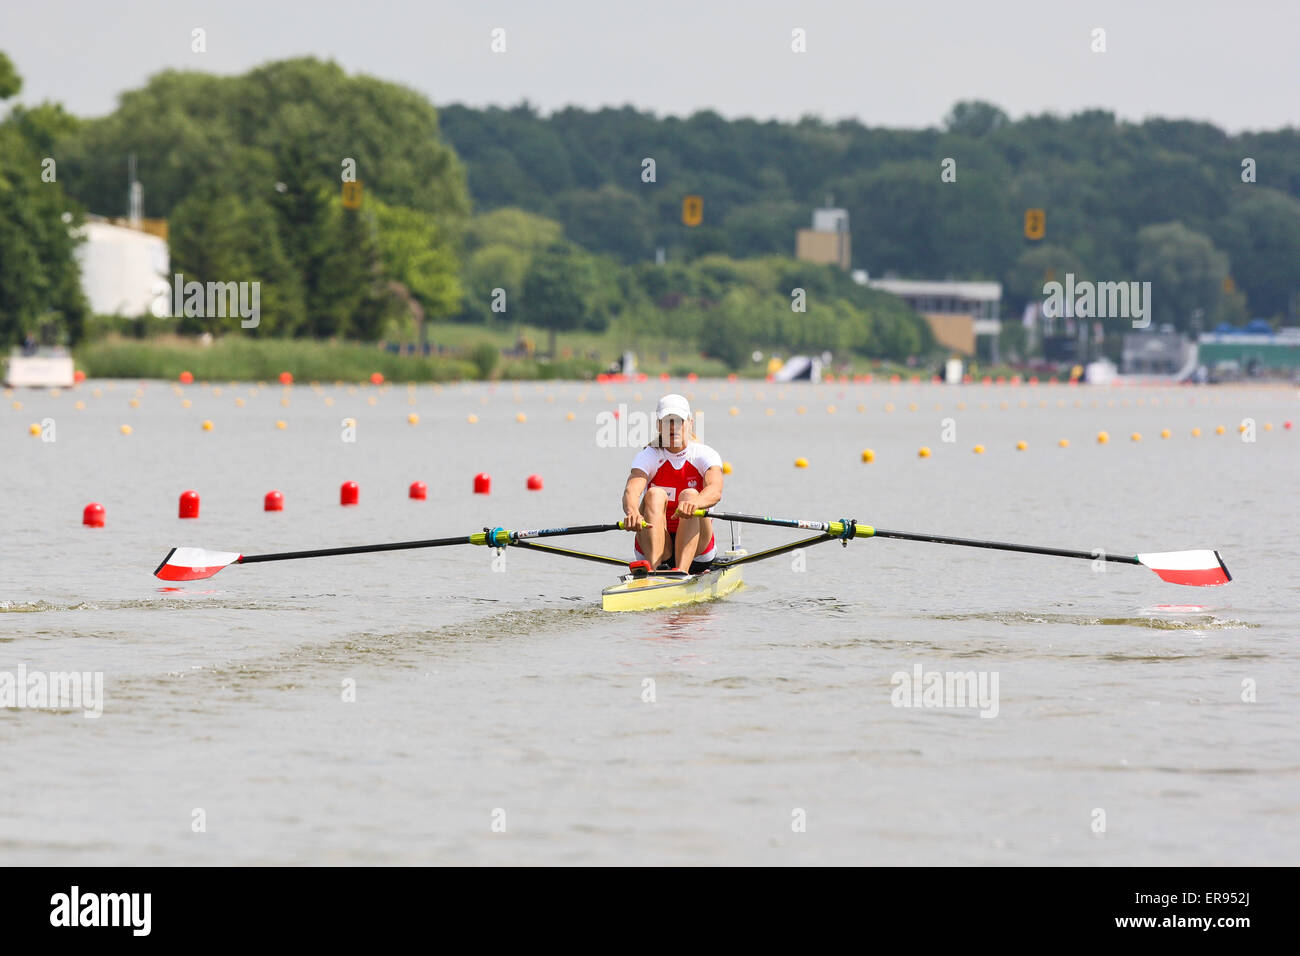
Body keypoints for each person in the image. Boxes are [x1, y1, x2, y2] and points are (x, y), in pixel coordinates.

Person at [621, 394, 724, 573]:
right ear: (658, 425)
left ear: (690, 423)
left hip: (698, 548)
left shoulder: (705, 454)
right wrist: (633, 513)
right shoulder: (648, 456)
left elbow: (715, 490)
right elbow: (631, 490)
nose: (673, 427)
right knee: (654, 494)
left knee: (690, 494)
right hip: (658, 543)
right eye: (667, 421)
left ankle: (681, 572)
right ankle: (654, 572)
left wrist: (695, 504)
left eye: (678, 421)